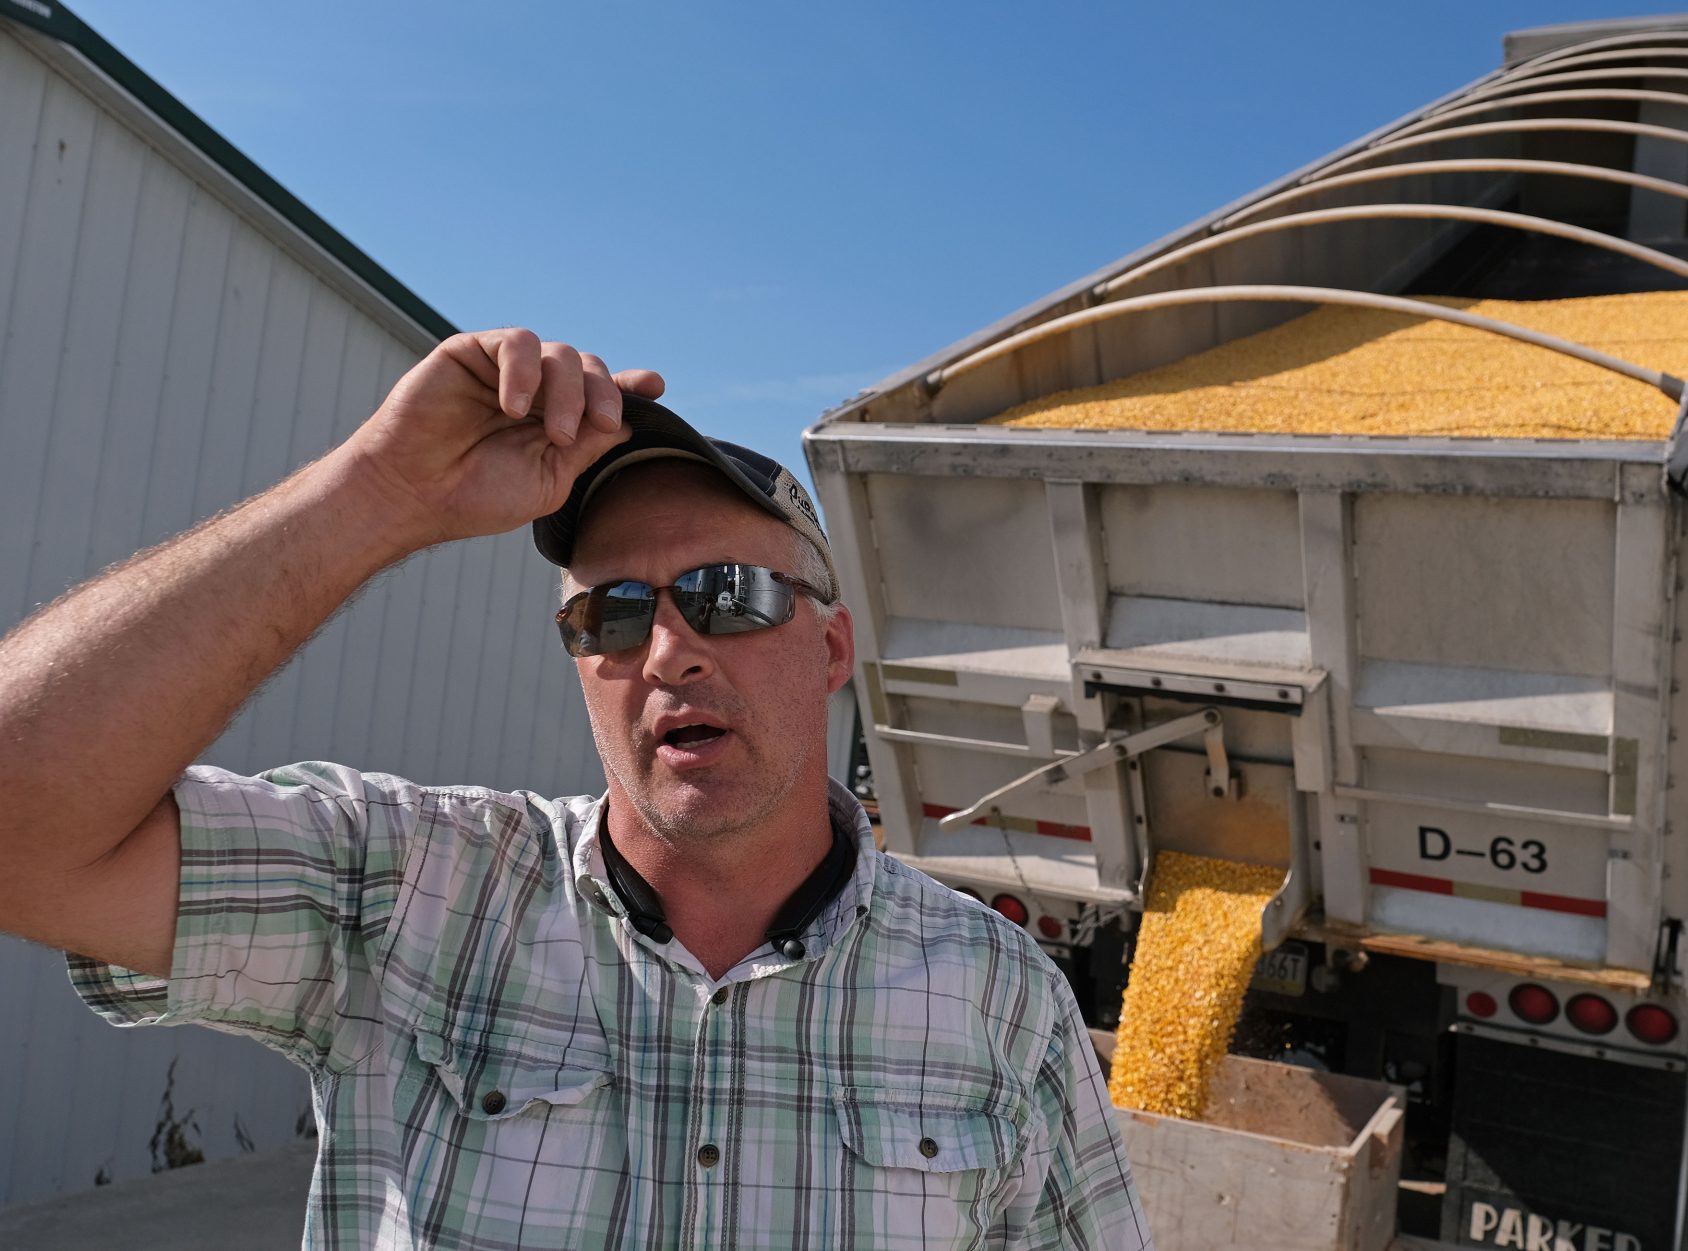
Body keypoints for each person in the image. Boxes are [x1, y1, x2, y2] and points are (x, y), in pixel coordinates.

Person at [0, 330, 1151, 1250]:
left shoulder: (997, 993)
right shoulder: (411, 893)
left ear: (834, 648)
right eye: (613, 613)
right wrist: (377, 494)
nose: (668, 651)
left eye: (729, 594)